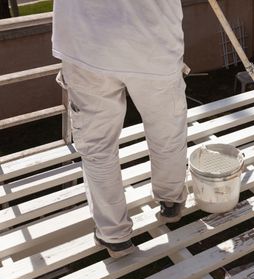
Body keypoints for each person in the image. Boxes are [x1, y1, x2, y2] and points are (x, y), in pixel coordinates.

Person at [52, 1, 188, 258]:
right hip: (154, 40)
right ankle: (170, 201)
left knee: (98, 147)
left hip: (86, 43)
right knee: (167, 132)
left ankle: (114, 236)